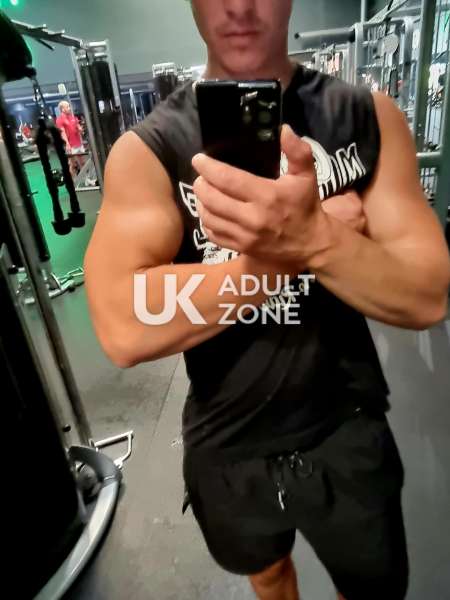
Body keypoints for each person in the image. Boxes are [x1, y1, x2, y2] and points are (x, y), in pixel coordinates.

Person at [84, 1, 450, 599]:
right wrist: (298, 249)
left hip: (346, 423)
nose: (239, 6)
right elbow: (123, 326)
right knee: (270, 576)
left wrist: (313, 239)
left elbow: (427, 294)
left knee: (371, 588)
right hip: (230, 440)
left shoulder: (365, 116)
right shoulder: (149, 150)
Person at [55, 101, 85, 178]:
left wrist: (80, 129)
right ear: (62, 109)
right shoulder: (59, 120)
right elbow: (63, 133)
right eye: (67, 107)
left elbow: (78, 127)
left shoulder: (73, 117)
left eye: (69, 106)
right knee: (72, 165)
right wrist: (67, 144)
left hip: (78, 143)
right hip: (70, 145)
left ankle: (85, 179)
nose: (69, 108)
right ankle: (72, 183)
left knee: (82, 163)